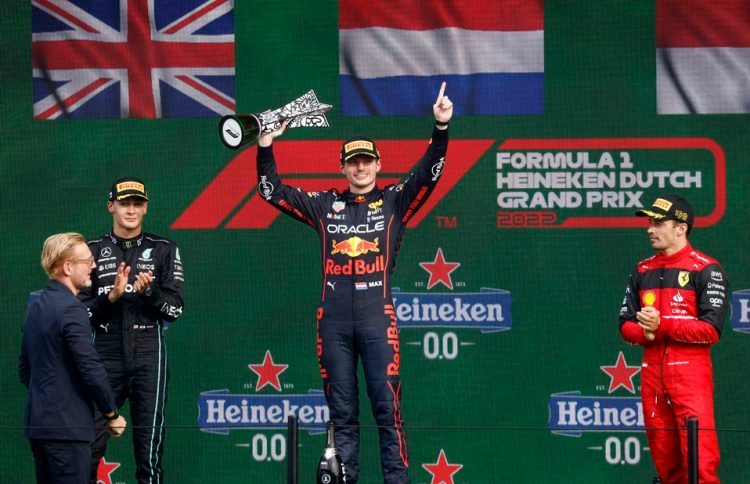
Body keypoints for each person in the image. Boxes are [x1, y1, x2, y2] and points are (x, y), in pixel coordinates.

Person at [256, 82, 453, 483]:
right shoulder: (325, 205)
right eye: (353, 162)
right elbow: (271, 192)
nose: (360, 168)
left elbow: (430, 173)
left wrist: (441, 127)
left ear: (378, 164)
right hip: (332, 325)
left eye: (366, 161)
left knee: (387, 408)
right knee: (341, 413)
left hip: (377, 321)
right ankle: (345, 479)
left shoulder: (396, 201)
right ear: (343, 167)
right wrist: (265, 147)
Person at [79, 178, 184, 484]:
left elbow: (176, 310)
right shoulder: (91, 250)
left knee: (149, 453)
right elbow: (79, 315)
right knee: (87, 446)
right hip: (105, 354)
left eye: (137, 203)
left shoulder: (164, 249)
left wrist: (150, 294)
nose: (131, 210)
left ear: (146, 208)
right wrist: (109, 297)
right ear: (111, 206)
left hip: (149, 354)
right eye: (125, 203)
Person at [619, 194, 728, 484]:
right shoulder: (642, 269)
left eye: (658, 222)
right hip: (653, 378)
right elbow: (626, 324)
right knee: (667, 468)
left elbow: (711, 331)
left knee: (700, 467)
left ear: (681, 228)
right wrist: (647, 333)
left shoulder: (706, 269)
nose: (649, 229)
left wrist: (662, 325)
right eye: (649, 222)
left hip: (690, 377)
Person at [20, 232, 127, 484]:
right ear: (67, 267)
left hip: (38, 426)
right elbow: (90, 366)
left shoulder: (35, 306)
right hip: (68, 431)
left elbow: (25, 370)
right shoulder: (72, 308)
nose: (94, 265)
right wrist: (111, 414)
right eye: (87, 260)